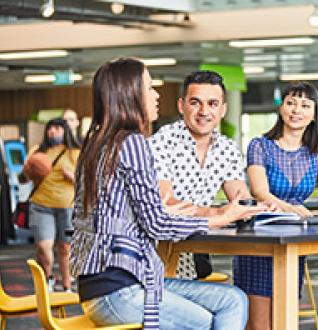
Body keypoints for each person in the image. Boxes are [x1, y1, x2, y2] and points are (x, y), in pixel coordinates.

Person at [70, 58, 265, 329]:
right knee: (210, 322)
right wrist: (217, 218)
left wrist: (162, 210)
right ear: (130, 95)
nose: (156, 94)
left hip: (108, 284)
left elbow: (122, 211)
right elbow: (158, 224)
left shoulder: (97, 143)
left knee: (233, 299)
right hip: (119, 289)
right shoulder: (133, 143)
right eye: (150, 88)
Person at [233, 82, 318, 330]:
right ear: (281, 108)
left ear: (314, 114)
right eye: (291, 103)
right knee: (258, 325)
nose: (297, 110)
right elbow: (260, 192)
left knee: (284, 321)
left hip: (292, 242)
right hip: (259, 238)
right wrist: (289, 208)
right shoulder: (260, 145)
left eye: (305, 105)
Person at [149, 70, 266, 279]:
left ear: (223, 110)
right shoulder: (162, 141)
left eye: (212, 104)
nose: (204, 111)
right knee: (229, 301)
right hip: (157, 255)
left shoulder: (227, 148)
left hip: (196, 252)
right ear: (181, 106)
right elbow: (166, 204)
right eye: (195, 103)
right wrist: (218, 213)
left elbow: (240, 198)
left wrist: (261, 207)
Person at [23, 118, 80, 292]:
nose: (53, 131)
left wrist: (73, 178)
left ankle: (67, 285)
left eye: (57, 128)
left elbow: (87, 181)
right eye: (50, 128)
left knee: (65, 247)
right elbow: (23, 177)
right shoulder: (37, 151)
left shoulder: (75, 152)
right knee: (43, 246)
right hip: (41, 205)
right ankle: (47, 279)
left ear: (66, 131)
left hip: (67, 207)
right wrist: (29, 172)